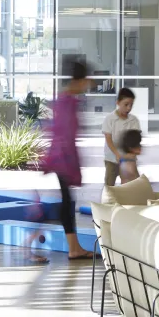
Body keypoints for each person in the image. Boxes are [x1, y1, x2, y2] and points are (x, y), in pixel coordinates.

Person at [39, 61, 97, 260]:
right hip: (62, 159)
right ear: (80, 80)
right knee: (67, 202)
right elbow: (63, 134)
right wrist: (65, 163)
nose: (88, 85)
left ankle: (75, 247)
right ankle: (74, 249)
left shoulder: (67, 100)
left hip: (61, 158)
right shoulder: (67, 102)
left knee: (67, 200)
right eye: (87, 81)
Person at [102, 88, 141, 186]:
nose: (129, 108)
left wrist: (134, 151)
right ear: (118, 102)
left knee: (133, 185)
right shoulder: (109, 119)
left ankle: (129, 201)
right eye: (126, 104)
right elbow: (108, 138)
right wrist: (117, 154)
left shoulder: (134, 120)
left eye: (131, 105)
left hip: (129, 160)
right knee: (109, 186)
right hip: (112, 159)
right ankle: (108, 201)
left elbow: (135, 139)